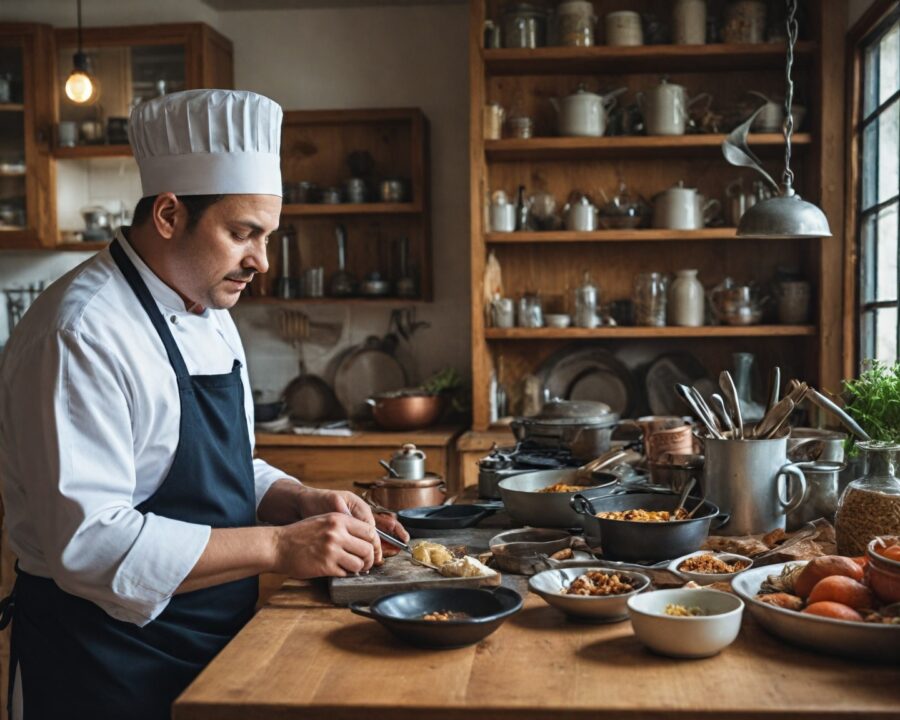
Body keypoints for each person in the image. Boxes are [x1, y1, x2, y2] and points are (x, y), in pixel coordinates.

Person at [0, 89, 408, 720]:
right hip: (101, 661)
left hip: (214, 640)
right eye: (242, 233)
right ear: (168, 214)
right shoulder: (81, 332)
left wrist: (293, 498)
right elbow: (88, 543)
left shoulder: (208, 304)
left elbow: (209, 469)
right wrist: (278, 547)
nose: (261, 262)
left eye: (267, 237)